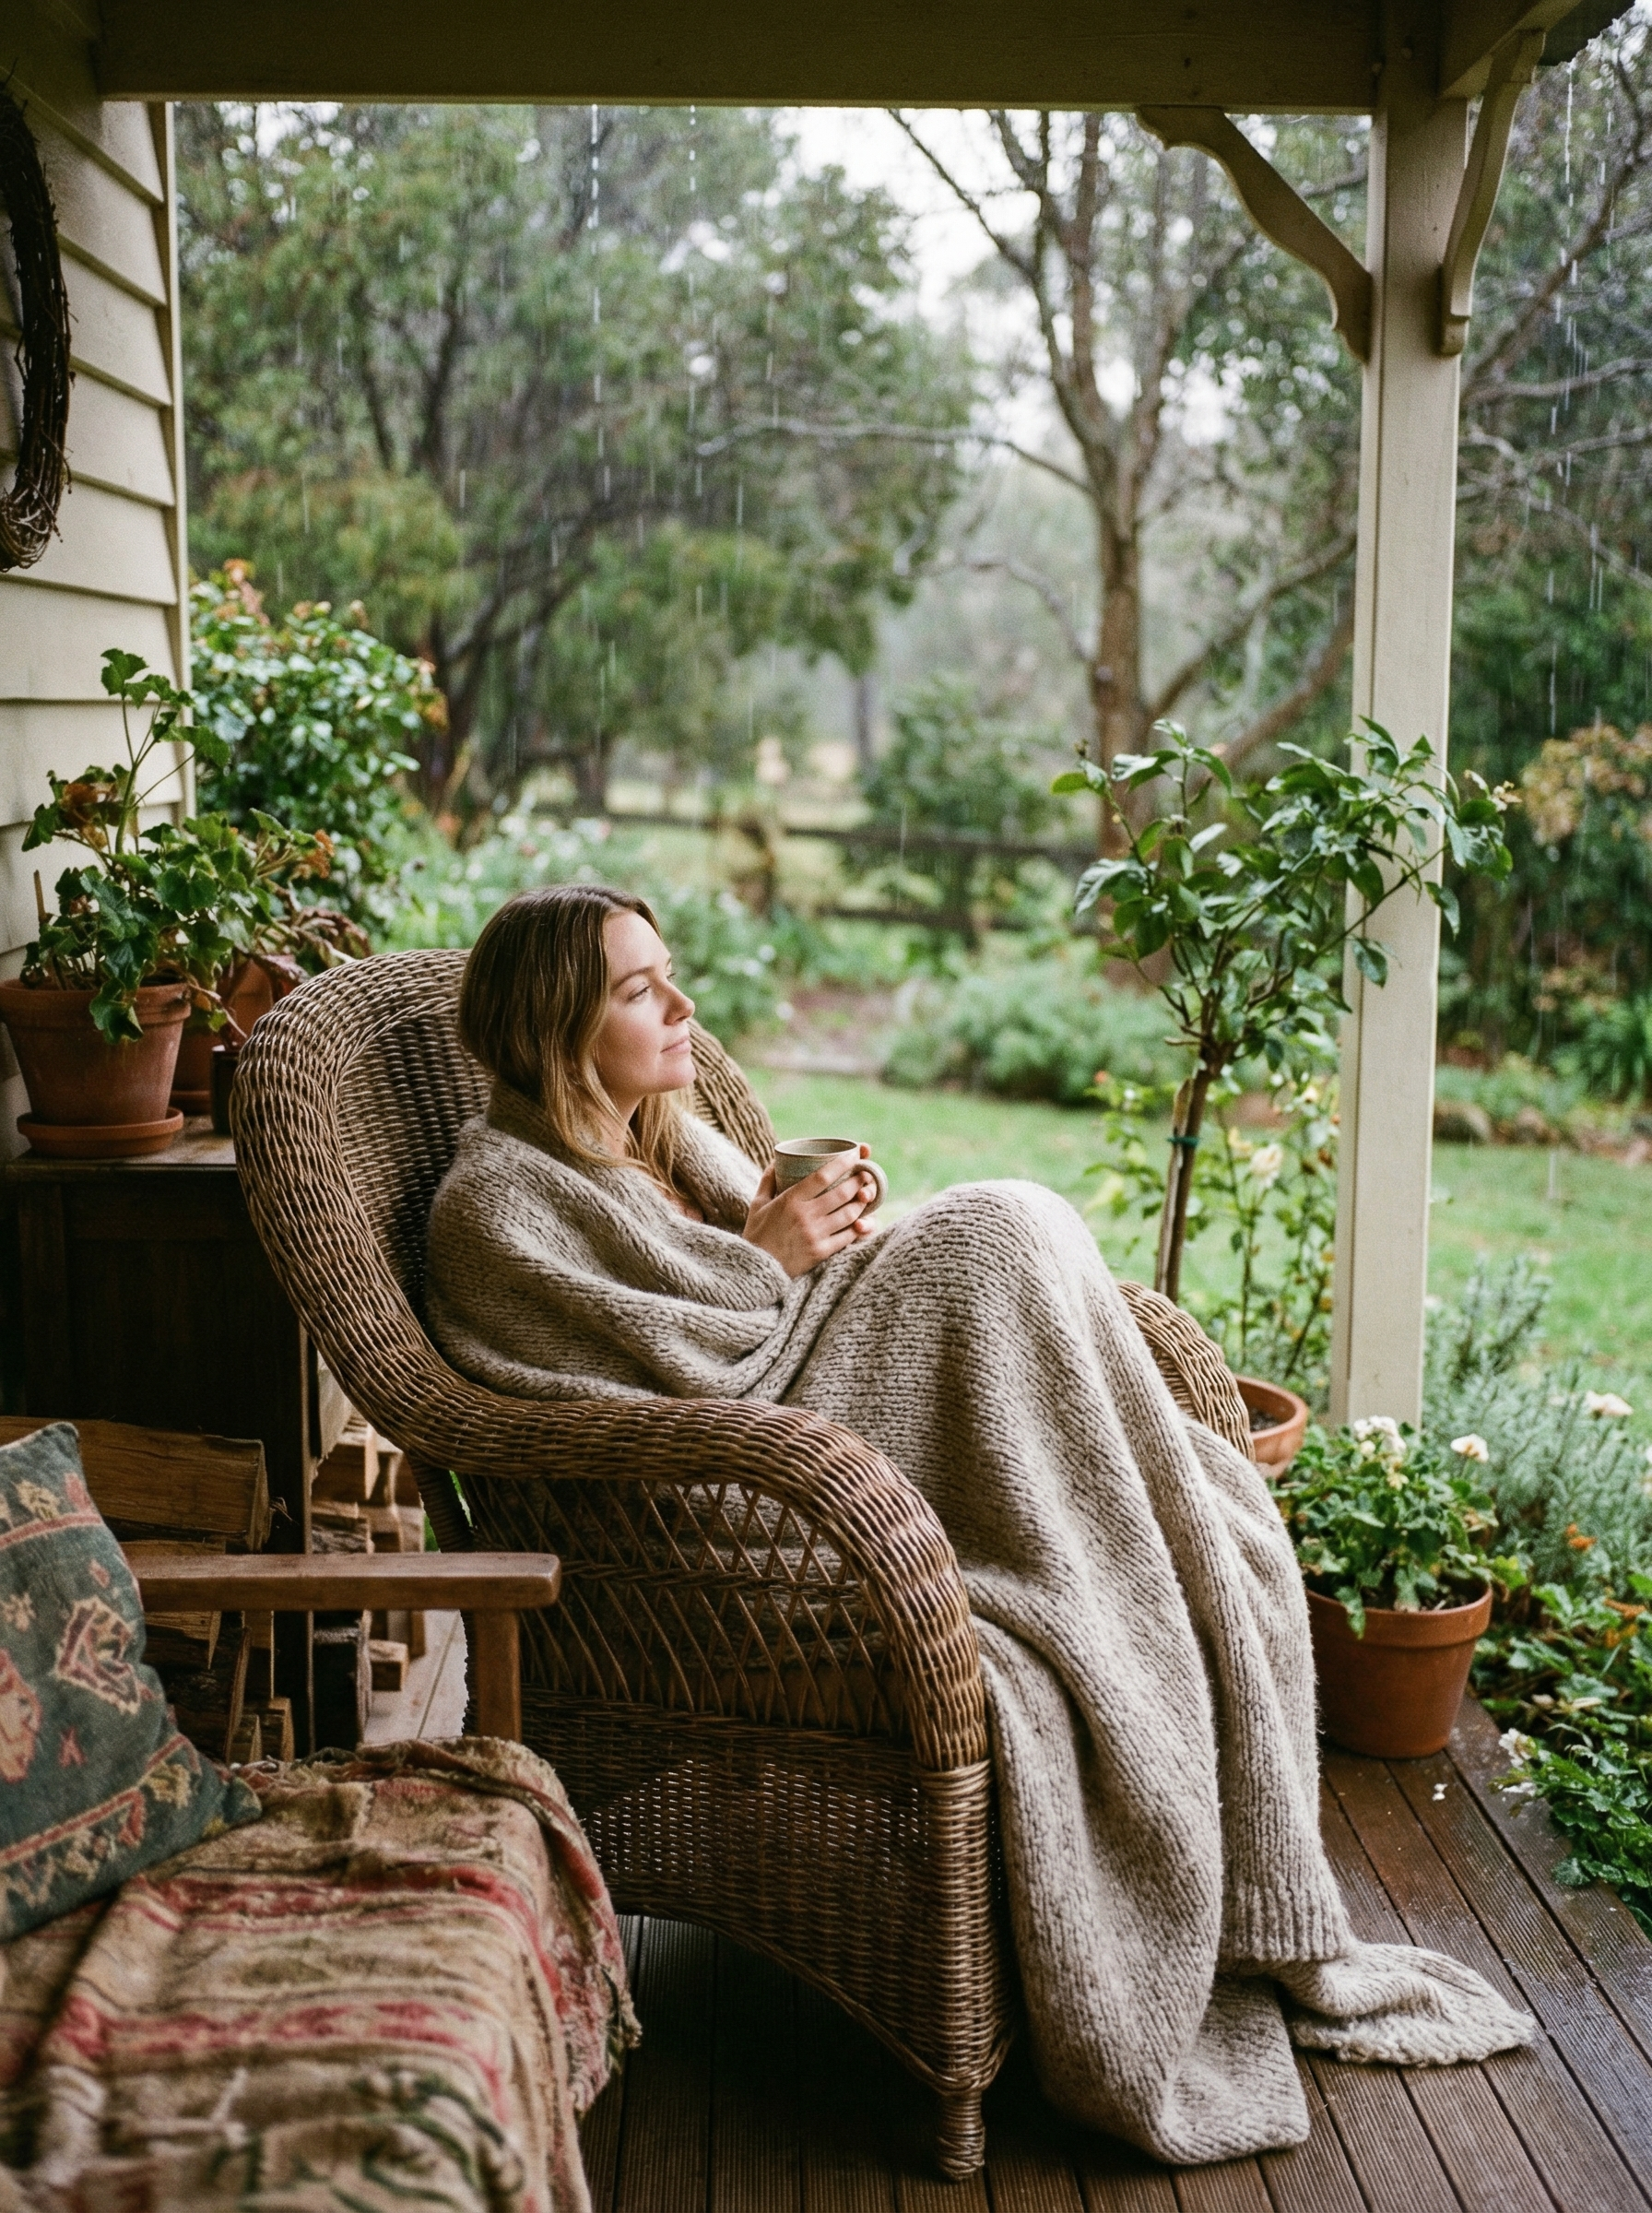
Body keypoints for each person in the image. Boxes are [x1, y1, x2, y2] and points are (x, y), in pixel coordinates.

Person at [426, 882, 1530, 2168]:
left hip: (819, 1425)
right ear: (555, 1028)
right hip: (749, 1515)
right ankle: (1115, 1532)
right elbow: (681, 1369)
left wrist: (816, 1233)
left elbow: (768, 1291)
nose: (682, 1006)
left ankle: (1138, 1553)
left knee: (1179, 1460)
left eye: (671, 975)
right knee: (996, 1228)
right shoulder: (497, 1205)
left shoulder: (662, 1137)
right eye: (639, 990)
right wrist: (776, 1257)